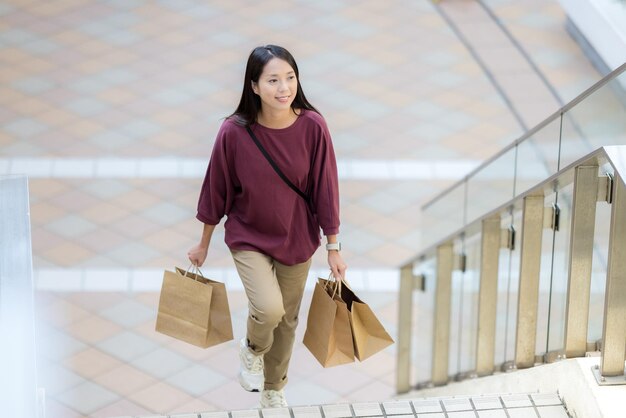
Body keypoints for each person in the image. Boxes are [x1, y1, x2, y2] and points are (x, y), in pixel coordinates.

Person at [187, 45, 347, 408]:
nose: (283, 87)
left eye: (289, 78)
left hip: (297, 236)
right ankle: (251, 348)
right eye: (273, 80)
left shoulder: (312, 126)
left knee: (287, 320)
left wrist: (333, 245)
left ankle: (273, 390)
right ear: (254, 86)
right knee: (270, 309)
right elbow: (217, 187)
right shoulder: (233, 131)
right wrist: (203, 243)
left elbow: (326, 186)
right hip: (249, 236)